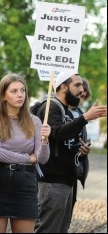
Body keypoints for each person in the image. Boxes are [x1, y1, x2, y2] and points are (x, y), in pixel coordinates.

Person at [34, 72, 107, 233]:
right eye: (77, 85)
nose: (82, 89)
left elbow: (66, 141)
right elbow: (58, 133)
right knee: (48, 229)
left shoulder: (69, 110)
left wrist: (82, 151)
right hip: (51, 180)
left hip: (67, 179)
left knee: (61, 229)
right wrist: (85, 118)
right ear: (63, 87)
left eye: (81, 85)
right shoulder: (50, 107)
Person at [0, 73, 51, 233]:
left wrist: (45, 141)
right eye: (14, 91)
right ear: (3, 95)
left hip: (25, 183)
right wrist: (28, 158)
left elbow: (42, 158)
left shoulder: (35, 121)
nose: (20, 95)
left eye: (23, 90)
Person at [69, 78, 92, 215]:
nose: (81, 99)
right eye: (79, 95)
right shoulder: (57, 110)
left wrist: (84, 152)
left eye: (83, 97)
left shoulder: (81, 115)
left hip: (73, 172)